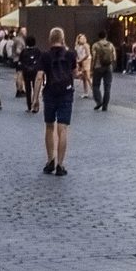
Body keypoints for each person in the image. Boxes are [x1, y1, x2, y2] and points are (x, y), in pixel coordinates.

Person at [37, 27, 78, 176]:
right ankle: (60, 165)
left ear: (50, 39)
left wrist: (35, 98)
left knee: (49, 127)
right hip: (66, 93)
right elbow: (75, 73)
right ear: (62, 38)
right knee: (62, 129)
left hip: (50, 93)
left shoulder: (45, 56)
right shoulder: (70, 54)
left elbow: (40, 77)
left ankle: (50, 161)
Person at [91, 31, 117, 111]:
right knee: (107, 87)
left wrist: (92, 67)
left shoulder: (95, 45)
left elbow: (94, 57)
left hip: (98, 67)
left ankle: (99, 101)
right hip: (108, 67)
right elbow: (114, 57)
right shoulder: (110, 45)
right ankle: (105, 106)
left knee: (95, 85)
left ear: (99, 36)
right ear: (106, 36)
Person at [17, 31, 42, 112]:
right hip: (35, 71)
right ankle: (35, 105)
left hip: (26, 72)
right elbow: (40, 61)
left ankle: (29, 106)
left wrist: (20, 73)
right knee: (36, 89)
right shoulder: (37, 51)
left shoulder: (24, 51)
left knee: (28, 89)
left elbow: (20, 62)